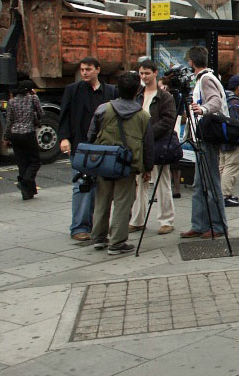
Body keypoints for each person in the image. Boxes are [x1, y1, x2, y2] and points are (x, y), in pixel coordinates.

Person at [88, 71, 155, 254]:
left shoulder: (103, 109)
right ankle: (117, 242)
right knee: (123, 203)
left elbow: (91, 135)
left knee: (102, 199)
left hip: (104, 162)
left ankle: (99, 238)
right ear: (137, 91)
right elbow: (148, 145)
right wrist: (147, 168)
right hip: (128, 164)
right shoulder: (143, 116)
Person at [59, 56, 118, 241]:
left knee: (100, 187)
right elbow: (65, 115)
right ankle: (79, 227)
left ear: (98, 70)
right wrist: (64, 138)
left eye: (88, 69)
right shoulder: (73, 90)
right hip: (80, 145)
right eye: (82, 69)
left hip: (103, 147)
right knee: (81, 185)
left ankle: (95, 225)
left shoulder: (110, 91)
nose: (84, 72)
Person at [180, 46, 230, 239]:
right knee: (199, 184)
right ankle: (199, 224)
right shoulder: (205, 78)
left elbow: (215, 102)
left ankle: (218, 226)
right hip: (203, 136)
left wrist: (202, 109)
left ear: (191, 62)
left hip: (207, 137)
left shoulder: (206, 79)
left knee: (211, 183)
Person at [129, 60, 177, 235]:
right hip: (139, 145)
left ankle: (166, 220)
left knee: (161, 181)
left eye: (147, 73)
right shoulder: (138, 95)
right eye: (141, 73)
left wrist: (148, 134)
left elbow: (168, 121)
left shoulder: (165, 97)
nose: (143, 77)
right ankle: (137, 220)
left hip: (157, 143)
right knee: (138, 182)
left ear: (155, 73)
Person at [4, 80, 43, 200]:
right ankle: (25, 182)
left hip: (15, 134)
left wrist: (6, 136)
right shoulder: (33, 98)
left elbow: (9, 120)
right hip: (28, 133)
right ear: (30, 89)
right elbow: (41, 113)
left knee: (22, 163)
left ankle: (28, 193)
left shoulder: (12, 101)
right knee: (35, 161)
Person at [219, 75, 239, 208]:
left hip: (223, 138)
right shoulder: (235, 102)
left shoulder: (223, 97)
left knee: (223, 166)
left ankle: (222, 193)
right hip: (233, 139)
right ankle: (225, 195)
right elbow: (236, 123)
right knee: (231, 166)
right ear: (238, 87)